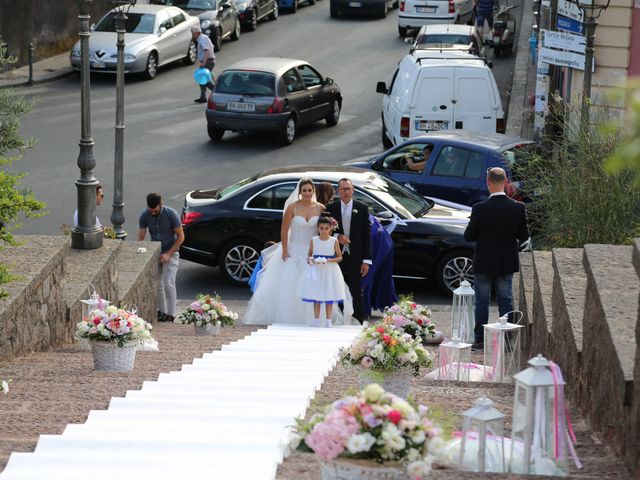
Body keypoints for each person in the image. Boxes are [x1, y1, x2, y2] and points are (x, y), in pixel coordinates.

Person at [464, 167, 529, 350]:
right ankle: (507, 342)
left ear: (488, 182)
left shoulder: (479, 209)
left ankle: (480, 341)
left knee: (481, 302)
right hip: (506, 262)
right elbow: (524, 235)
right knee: (505, 301)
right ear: (506, 181)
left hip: (483, 262)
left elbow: (468, 236)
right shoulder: (518, 208)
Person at [326, 178, 372, 323]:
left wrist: (366, 260)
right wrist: (337, 236)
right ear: (338, 191)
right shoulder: (331, 209)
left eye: (348, 188)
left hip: (355, 256)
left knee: (356, 289)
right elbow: (323, 231)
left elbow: (366, 236)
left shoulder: (362, 208)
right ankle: (337, 318)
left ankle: (358, 319)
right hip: (337, 255)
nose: (345, 192)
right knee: (336, 288)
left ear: (353, 190)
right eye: (343, 189)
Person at [138, 193, 184, 323]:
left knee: (168, 282)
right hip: (155, 252)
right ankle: (162, 312)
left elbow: (181, 237)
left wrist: (169, 254)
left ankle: (171, 314)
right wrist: (142, 251)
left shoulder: (171, 214)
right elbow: (141, 237)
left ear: (161, 204)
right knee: (158, 284)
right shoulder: (144, 215)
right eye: (150, 211)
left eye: (156, 211)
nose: (153, 213)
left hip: (172, 251)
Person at [298, 215, 345, 328]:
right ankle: (316, 320)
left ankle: (328, 320)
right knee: (316, 294)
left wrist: (328, 260)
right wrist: (310, 259)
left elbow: (340, 257)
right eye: (321, 228)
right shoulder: (314, 240)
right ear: (318, 229)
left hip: (330, 270)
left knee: (328, 294)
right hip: (316, 270)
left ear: (330, 228)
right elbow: (310, 254)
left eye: (326, 228)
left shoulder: (334, 241)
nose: (324, 231)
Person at [192, 25, 216, 104]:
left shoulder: (202, 39)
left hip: (208, 61)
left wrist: (204, 63)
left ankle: (216, 91)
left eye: (193, 33)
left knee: (204, 79)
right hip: (207, 61)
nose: (192, 35)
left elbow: (207, 50)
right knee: (202, 79)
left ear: (197, 33)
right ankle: (203, 97)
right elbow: (212, 46)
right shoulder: (203, 38)